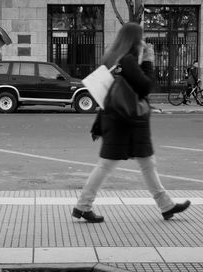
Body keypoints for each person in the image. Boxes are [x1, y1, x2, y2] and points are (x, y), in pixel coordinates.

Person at [72, 23, 191, 223]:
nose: (144, 42)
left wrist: (99, 125)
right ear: (135, 40)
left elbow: (107, 95)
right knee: (108, 165)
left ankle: (166, 205)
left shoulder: (113, 58)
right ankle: (82, 206)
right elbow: (145, 87)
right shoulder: (126, 60)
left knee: (146, 163)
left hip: (121, 120)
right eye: (142, 38)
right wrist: (148, 61)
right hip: (127, 120)